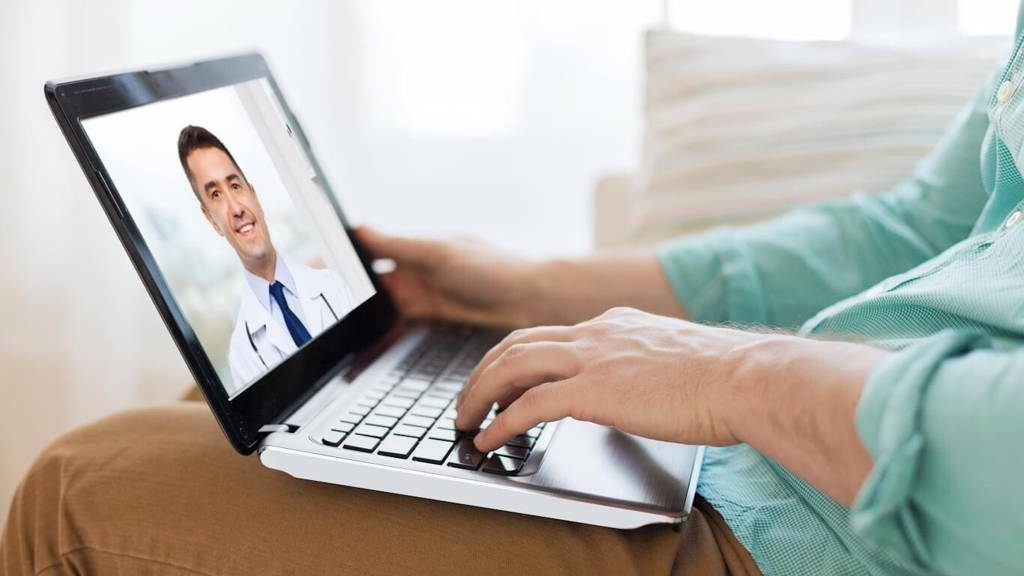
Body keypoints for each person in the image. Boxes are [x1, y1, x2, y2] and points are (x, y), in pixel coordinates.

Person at [4, 11, 1024, 576]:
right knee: (278, 411)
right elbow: (914, 230)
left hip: (850, 533)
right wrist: (529, 283)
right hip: (787, 456)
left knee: (81, 486)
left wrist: (736, 374)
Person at [177, 125, 355, 390]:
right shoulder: (242, 354)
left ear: (254, 195)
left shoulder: (333, 285)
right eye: (216, 195)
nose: (236, 208)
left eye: (235, 186)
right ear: (211, 220)